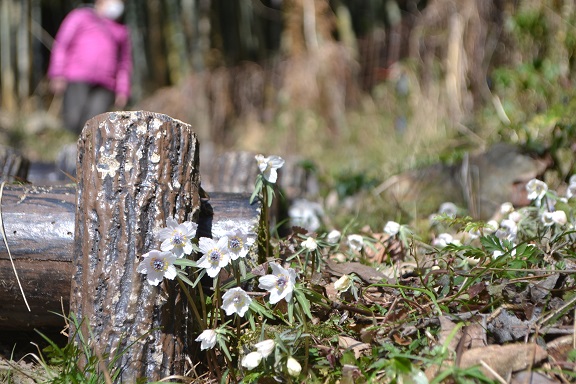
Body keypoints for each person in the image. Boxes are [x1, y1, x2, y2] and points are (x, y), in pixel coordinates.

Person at [48, 0, 132, 135]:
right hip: (77, 77)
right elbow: (62, 45)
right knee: (72, 120)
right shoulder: (80, 17)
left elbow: (124, 62)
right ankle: (70, 151)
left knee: (95, 126)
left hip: (106, 85)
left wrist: (123, 90)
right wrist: (57, 73)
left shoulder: (121, 29)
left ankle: (88, 154)